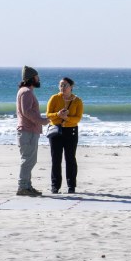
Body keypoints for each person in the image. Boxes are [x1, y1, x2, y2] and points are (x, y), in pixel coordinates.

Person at [16, 66, 65, 197]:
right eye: (37, 77)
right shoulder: (26, 92)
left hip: (30, 130)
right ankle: (22, 187)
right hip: (28, 131)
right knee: (27, 160)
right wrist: (42, 121)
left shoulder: (26, 91)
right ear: (31, 78)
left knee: (30, 160)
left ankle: (27, 186)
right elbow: (27, 112)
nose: (39, 79)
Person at [46, 77, 84, 194]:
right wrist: (58, 114)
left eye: (65, 85)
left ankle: (71, 186)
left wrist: (67, 118)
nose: (62, 87)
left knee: (70, 158)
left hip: (71, 131)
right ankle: (55, 186)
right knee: (56, 159)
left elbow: (78, 118)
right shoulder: (54, 98)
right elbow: (48, 114)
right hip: (56, 130)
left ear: (71, 87)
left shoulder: (77, 101)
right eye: (61, 85)